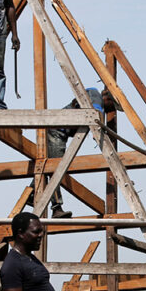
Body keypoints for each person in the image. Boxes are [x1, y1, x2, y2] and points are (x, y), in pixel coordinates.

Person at [43, 88, 112, 218]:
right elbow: (96, 112)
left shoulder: (92, 94)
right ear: (107, 98)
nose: (110, 110)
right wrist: (98, 130)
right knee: (55, 170)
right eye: (112, 106)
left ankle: (33, 191)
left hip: (59, 131)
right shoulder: (96, 96)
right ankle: (56, 208)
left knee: (48, 168)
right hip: (57, 131)